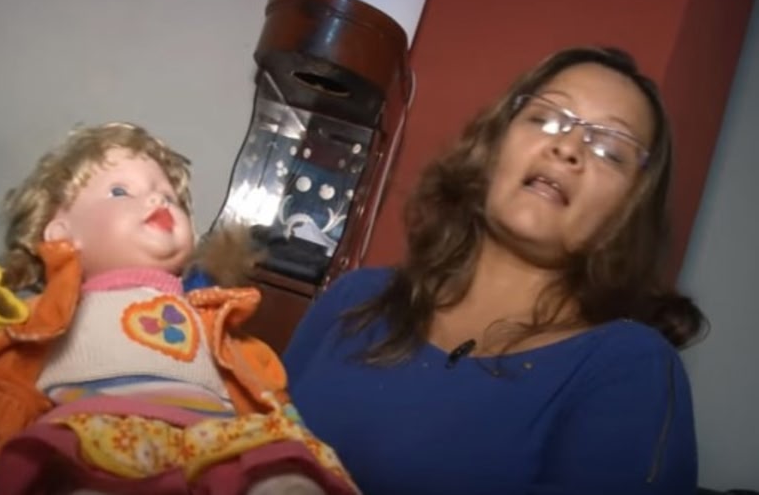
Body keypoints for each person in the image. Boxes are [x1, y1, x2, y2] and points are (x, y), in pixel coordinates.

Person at [283, 46, 706, 495]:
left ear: (631, 209)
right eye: (546, 118)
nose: (568, 148)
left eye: (608, 149)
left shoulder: (631, 369)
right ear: (493, 147)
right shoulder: (354, 300)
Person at [0, 122, 358, 494]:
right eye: (120, 190)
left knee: (282, 467)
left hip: (212, 447)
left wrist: (295, 441)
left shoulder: (211, 316)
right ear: (61, 233)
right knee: (68, 471)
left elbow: (268, 396)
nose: (158, 200)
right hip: (96, 441)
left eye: (169, 196)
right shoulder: (44, 317)